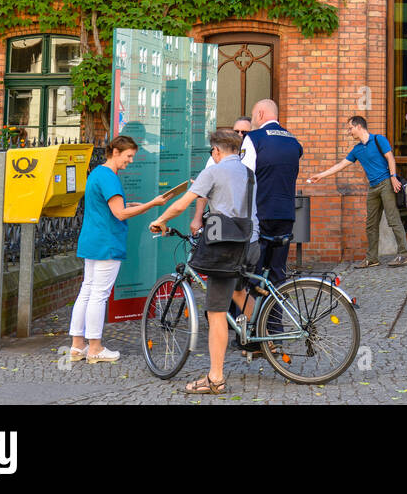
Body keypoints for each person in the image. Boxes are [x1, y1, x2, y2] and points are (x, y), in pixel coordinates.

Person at [150, 129, 257, 394]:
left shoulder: (214, 171)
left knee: (216, 311)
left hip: (225, 247)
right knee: (239, 291)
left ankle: (216, 378)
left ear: (217, 151)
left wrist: (160, 221)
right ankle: (253, 333)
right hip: (249, 241)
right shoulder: (248, 173)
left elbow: (181, 204)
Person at [68, 135, 167, 363]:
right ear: (115, 152)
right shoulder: (110, 178)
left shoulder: (97, 173)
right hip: (107, 242)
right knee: (99, 295)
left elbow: (112, 206)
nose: (130, 161)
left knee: (87, 290)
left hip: (92, 239)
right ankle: (95, 348)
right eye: (129, 156)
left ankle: (77, 346)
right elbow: (119, 213)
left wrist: (133, 205)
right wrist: (152, 204)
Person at [307, 115, 407, 268]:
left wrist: (393, 177)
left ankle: (404, 254)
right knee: (370, 224)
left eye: (350, 128)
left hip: (386, 184)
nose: (349, 132)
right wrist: (321, 176)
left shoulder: (378, 139)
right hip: (373, 187)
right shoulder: (357, 150)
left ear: (359, 127)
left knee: (393, 219)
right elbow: (341, 165)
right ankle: (372, 258)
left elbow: (390, 158)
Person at [240, 99, 301, 287]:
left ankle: (253, 314)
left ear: (260, 114)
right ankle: (274, 316)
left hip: (260, 212)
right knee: (277, 271)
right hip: (286, 214)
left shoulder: (254, 138)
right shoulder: (293, 140)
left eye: (253, 117)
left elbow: (244, 176)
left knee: (254, 271)